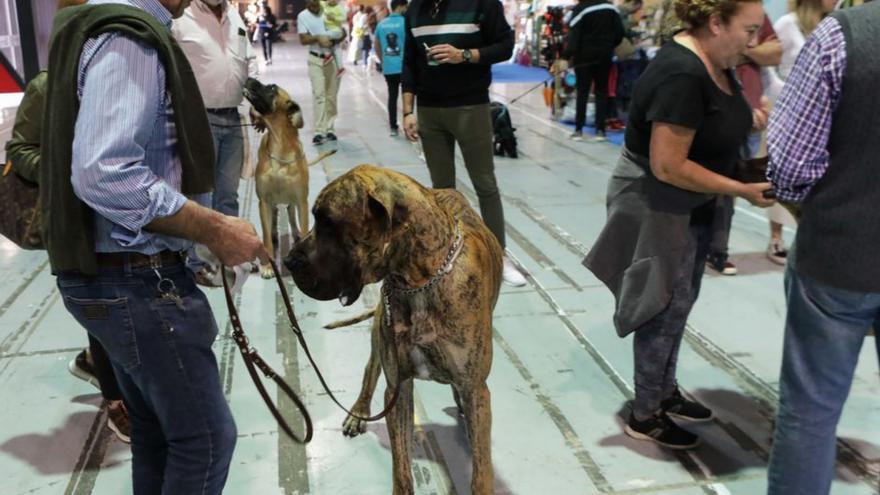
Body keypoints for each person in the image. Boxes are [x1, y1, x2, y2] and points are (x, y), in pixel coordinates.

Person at [40, 0, 267, 491]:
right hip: (134, 278)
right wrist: (214, 229)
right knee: (206, 439)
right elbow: (103, 171)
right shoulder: (132, 38)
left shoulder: (112, 25)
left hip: (113, 277)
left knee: (159, 432)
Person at [583, 0, 773, 449]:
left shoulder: (716, 60)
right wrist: (740, 189)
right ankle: (646, 412)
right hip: (660, 201)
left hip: (694, 202)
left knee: (680, 302)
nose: (753, 41)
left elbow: (715, 121)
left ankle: (663, 391)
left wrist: (749, 121)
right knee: (660, 304)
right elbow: (668, 165)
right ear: (714, 22)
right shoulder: (681, 74)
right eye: (748, 30)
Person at [4, 0, 131, 445]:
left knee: (123, 307)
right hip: (72, 220)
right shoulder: (45, 85)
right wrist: (68, 172)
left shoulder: (119, 76)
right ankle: (116, 400)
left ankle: (101, 367)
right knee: (98, 309)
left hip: (119, 215)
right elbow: (19, 150)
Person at [765, 3, 880, 493]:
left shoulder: (844, 36)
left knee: (810, 415)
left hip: (838, 258)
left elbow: (789, 166)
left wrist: (826, 215)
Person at [401, 0, 527, 287]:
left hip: (470, 107)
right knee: (442, 190)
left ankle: (498, 256)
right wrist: (408, 110)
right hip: (429, 111)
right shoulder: (415, 9)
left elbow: (505, 45)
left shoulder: (482, 3)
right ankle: (449, 255)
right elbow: (409, 61)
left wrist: (466, 55)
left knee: (485, 184)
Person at [172, 0, 259, 286]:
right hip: (198, 119)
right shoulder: (182, 17)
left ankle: (230, 254)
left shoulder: (233, 16)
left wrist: (256, 100)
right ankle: (196, 263)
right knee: (201, 196)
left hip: (234, 118)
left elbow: (250, 60)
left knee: (228, 194)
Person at [705, 13, 779, 275]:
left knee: (733, 189)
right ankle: (709, 246)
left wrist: (747, 50)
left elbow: (775, 52)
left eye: (752, 31)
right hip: (718, 116)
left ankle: (717, 249)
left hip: (752, 118)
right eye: (747, 30)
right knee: (710, 185)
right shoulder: (718, 12)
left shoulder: (757, 15)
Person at [560, 0, 625, 142]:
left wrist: (566, 56)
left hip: (584, 56)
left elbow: (574, 36)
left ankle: (578, 130)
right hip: (604, 55)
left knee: (582, 91)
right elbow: (620, 32)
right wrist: (608, 45)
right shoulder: (611, 8)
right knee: (602, 91)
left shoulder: (580, 8)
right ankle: (600, 131)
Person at [298, 0, 344, 145]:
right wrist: (318, 38)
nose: (314, 6)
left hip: (332, 59)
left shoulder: (329, 11)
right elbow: (303, 39)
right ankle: (319, 131)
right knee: (319, 95)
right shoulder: (303, 16)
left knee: (331, 95)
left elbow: (342, 32)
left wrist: (333, 39)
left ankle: (330, 128)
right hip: (315, 59)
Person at [374, 0, 407, 137]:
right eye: (406, 6)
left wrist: (383, 61)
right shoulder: (406, 22)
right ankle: (408, 124)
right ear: (401, 6)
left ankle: (393, 127)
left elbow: (376, 45)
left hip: (389, 67)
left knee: (392, 97)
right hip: (405, 67)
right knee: (408, 96)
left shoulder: (381, 24)